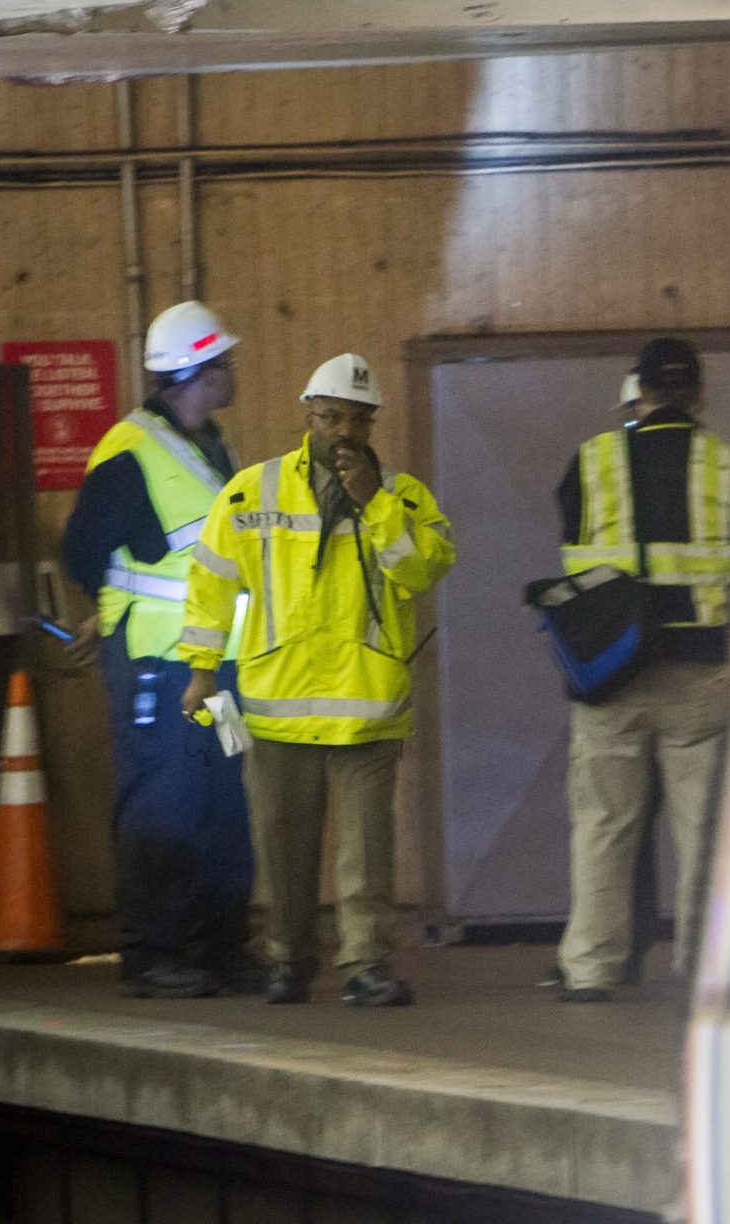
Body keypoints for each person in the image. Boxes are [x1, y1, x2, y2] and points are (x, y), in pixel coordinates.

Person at [177, 352, 455, 1008]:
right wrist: (199, 671)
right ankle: (289, 959)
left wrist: (375, 506)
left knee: (367, 849)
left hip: (367, 702)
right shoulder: (253, 490)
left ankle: (364, 964)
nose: (342, 432)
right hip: (276, 704)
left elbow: (424, 571)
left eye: (356, 420)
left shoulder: (404, 495)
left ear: (372, 423)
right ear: (308, 413)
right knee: (282, 844)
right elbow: (211, 582)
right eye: (330, 416)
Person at [553, 337, 730, 1002]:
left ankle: (591, 968)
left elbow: (573, 553)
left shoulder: (588, 463)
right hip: (700, 672)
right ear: (700, 395)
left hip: (610, 671)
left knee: (603, 827)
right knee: (703, 831)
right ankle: (704, 969)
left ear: (637, 391)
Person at [61, 300, 255, 999]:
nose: (235, 372)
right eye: (225, 362)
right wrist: (111, 618)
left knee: (225, 801)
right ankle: (154, 953)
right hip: (158, 665)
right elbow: (82, 551)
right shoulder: (129, 450)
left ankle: (221, 947)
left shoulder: (215, 445)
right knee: (164, 803)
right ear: (200, 371)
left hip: (219, 667)